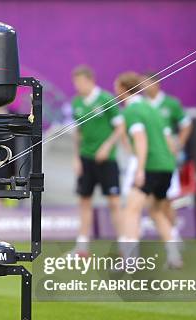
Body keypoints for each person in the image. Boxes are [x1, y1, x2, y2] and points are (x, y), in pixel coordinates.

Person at [114, 72, 182, 268]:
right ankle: (174, 255)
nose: (115, 92)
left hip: (151, 166)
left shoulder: (131, 111)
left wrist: (140, 169)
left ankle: (130, 260)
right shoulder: (152, 108)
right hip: (167, 166)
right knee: (156, 211)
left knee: (131, 210)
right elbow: (169, 141)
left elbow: (141, 140)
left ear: (124, 89)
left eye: (117, 88)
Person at [70, 66, 124, 255]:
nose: (77, 86)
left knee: (114, 202)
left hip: (107, 160)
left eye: (79, 82)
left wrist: (107, 146)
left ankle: (124, 246)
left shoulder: (106, 99)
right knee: (84, 201)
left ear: (90, 80)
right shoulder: (76, 102)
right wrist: (76, 157)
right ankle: (82, 246)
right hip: (86, 159)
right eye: (75, 82)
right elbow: (77, 132)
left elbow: (119, 128)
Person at [143, 73, 193, 241]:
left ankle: (173, 234)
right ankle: (167, 235)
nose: (142, 87)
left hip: (166, 159)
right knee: (151, 201)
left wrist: (178, 146)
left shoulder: (171, 104)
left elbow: (186, 125)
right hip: (148, 160)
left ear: (156, 83)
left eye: (146, 83)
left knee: (166, 199)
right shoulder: (142, 105)